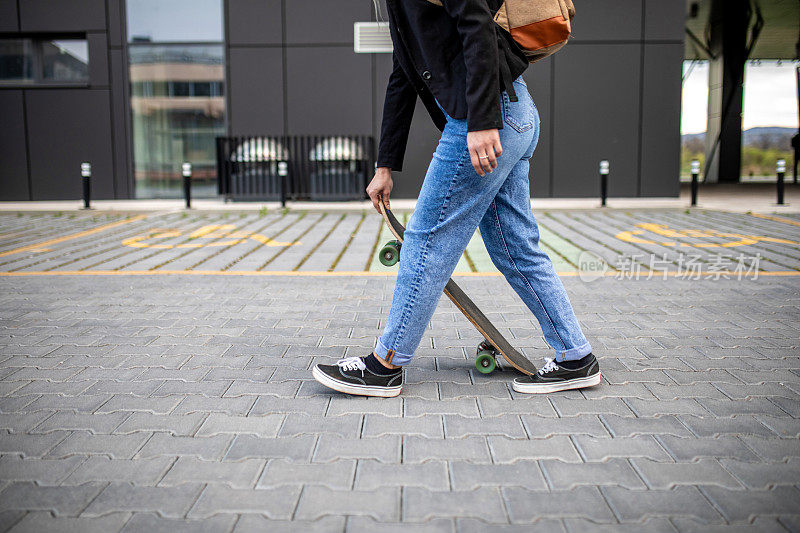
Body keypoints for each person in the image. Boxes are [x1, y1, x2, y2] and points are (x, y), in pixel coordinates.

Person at [312, 0, 600, 397]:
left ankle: (385, 366)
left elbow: (477, 25)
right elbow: (404, 73)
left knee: (426, 242)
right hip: (511, 111)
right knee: (515, 248)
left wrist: (482, 122)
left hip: (487, 117)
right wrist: (385, 165)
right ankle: (575, 357)